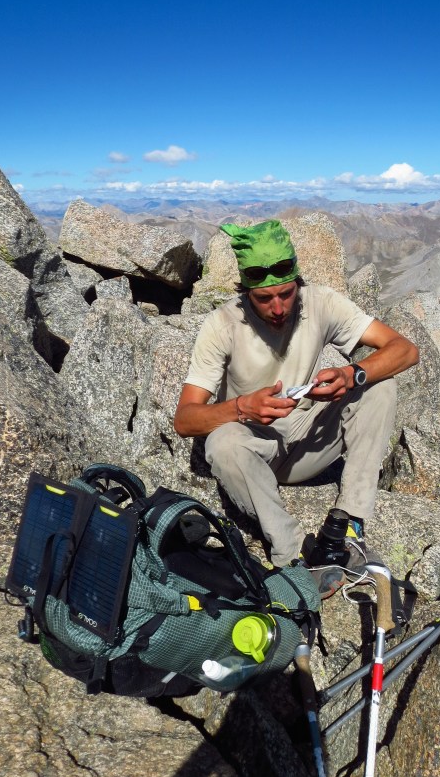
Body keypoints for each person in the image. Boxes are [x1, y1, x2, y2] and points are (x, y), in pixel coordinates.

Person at [174, 220, 419, 596]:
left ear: (298, 283)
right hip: (257, 452)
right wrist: (241, 408)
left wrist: (352, 374)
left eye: (286, 294)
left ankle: (351, 525)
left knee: (379, 387)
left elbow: (405, 350)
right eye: (264, 299)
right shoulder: (222, 325)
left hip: (309, 440)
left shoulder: (320, 303)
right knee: (221, 444)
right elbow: (185, 419)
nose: (278, 307)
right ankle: (292, 556)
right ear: (246, 292)